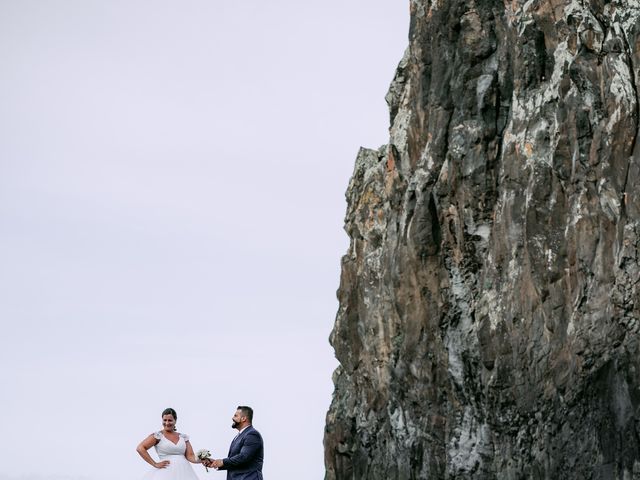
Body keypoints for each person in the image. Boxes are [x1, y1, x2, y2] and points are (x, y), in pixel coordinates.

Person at [136, 407, 202, 479]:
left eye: (170, 420)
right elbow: (140, 448)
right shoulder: (158, 436)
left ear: (175, 421)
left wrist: (202, 459)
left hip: (184, 472)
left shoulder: (183, 437)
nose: (167, 423)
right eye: (165, 420)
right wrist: (154, 464)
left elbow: (190, 456)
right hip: (165, 473)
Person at [205, 406, 264, 479]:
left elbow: (243, 457)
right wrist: (216, 463)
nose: (232, 418)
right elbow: (236, 461)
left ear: (243, 418)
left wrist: (222, 462)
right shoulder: (239, 436)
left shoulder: (252, 434)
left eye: (235, 416)